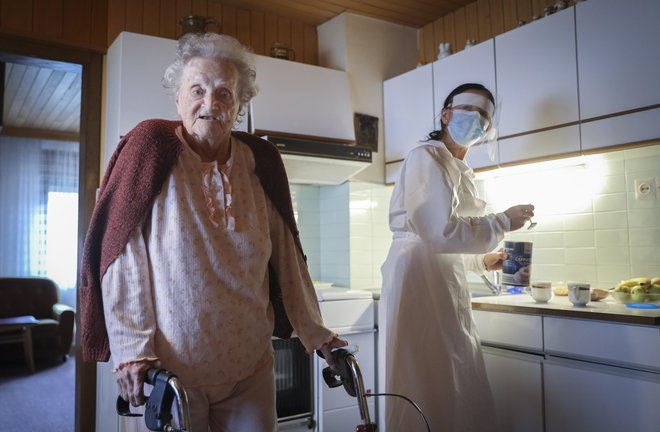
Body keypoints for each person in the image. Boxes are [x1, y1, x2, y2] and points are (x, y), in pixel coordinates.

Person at [79, 33, 346, 431]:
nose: (211, 104)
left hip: (251, 369)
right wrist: (132, 350)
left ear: (239, 106)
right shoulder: (151, 148)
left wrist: (317, 332)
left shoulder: (262, 161)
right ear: (177, 98)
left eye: (225, 94)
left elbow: (287, 253)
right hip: (172, 374)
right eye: (198, 90)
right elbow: (123, 254)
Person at [380, 83, 534, 431]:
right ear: (446, 114)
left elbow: (447, 242)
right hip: (417, 280)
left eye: (485, 116)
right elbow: (436, 232)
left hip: (441, 279)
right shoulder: (425, 157)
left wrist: (481, 261)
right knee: (425, 379)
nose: (478, 120)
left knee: (455, 378)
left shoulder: (460, 170)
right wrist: (502, 221)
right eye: (471, 110)